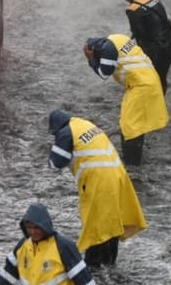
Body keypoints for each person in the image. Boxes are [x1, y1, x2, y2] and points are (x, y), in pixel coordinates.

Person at [48, 109, 148, 268]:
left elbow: (55, 163)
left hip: (99, 182)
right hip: (117, 176)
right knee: (112, 222)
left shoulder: (66, 132)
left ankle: (93, 269)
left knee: (95, 228)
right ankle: (109, 264)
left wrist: (53, 148)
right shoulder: (85, 124)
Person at [83, 35, 169, 167]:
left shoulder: (107, 50)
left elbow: (104, 73)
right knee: (132, 123)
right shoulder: (116, 38)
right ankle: (133, 160)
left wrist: (91, 59)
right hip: (147, 79)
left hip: (141, 85)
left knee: (130, 126)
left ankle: (132, 164)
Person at [0, 203, 96, 285]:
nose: (32, 232)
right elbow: (7, 276)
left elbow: (85, 280)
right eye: (29, 227)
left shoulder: (64, 246)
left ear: (45, 226)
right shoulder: (22, 246)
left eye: (36, 227)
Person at [116, 0, 171, 90]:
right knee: (162, 77)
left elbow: (139, 35)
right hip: (169, 43)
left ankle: (155, 102)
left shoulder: (132, 10)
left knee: (151, 79)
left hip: (155, 50)